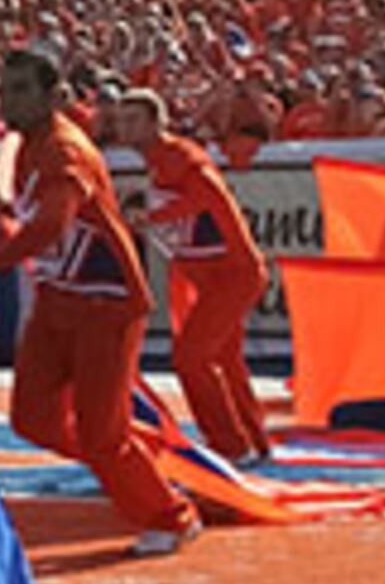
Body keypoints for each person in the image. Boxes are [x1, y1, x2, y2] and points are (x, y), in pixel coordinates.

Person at [0, 48, 200, 552]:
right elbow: (27, 220)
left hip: (105, 304)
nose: (8, 101)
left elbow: (51, 224)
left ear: (54, 97)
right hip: (58, 300)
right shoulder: (20, 148)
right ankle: (134, 457)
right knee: (33, 419)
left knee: (101, 433)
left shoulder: (66, 152)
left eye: (21, 90)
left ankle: (171, 516)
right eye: (4, 90)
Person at [105, 88, 272, 464]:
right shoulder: (161, 161)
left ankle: (230, 445)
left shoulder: (180, 156)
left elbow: (211, 196)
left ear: (155, 122)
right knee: (225, 360)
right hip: (214, 275)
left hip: (231, 273)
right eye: (121, 120)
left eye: (133, 120)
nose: (124, 128)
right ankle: (253, 441)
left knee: (191, 357)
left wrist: (151, 217)